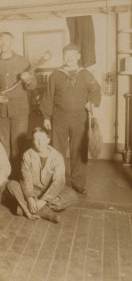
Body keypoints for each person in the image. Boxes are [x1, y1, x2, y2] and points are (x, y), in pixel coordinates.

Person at [39, 43, 101, 194]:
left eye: (73, 55)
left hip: (80, 119)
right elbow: (48, 97)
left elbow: (96, 91)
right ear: (63, 57)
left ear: (79, 56)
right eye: (67, 55)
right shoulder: (56, 75)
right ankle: (57, 181)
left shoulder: (86, 74)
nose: (70, 58)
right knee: (56, 151)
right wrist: (46, 117)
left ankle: (78, 183)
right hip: (59, 118)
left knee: (79, 151)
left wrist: (91, 102)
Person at [6, 127, 79, 223]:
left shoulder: (57, 157)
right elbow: (25, 178)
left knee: (72, 196)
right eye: (36, 139)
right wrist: (30, 199)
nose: (39, 143)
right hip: (33, 190)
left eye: (42, 139)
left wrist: (44, 200)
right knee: (11, 185)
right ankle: (45, 213)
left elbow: (59, 181)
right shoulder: (27, 155)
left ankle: (23, 209)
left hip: (49, 191)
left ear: (48, 140)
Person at [0, 31, 37, 166]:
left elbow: (33, 85)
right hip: (1, 110)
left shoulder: (23, 61)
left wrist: (28, 80)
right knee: (3, 145)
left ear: (12, 42)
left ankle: (17, 175)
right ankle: (5, 176)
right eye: (1, 40)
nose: (3, 43)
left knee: (18, 145)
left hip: (20, 110)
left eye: (6, 40)